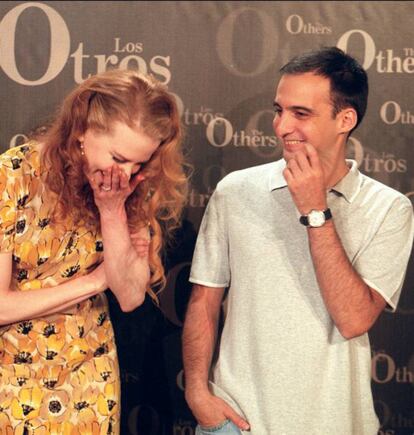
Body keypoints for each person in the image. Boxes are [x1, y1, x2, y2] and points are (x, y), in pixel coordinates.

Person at [182, 47, 414, 434]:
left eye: (300, 113)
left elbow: (354, 319)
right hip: (238, 423)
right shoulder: (235, 191)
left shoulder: (389, 209)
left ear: (346, 119)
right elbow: (205, 300)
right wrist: (196, 394)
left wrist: (316, 212)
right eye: (279, 110)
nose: (281, 126)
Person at [0, 69, 187, 433]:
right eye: (118, 157)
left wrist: (112, 209)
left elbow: (131, 295)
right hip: (13, 380)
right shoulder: (12, 177)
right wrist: (94, 282)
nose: (126, 172)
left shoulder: (128, 188)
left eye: (139, 162)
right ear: (82, 129)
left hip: (90, 382)